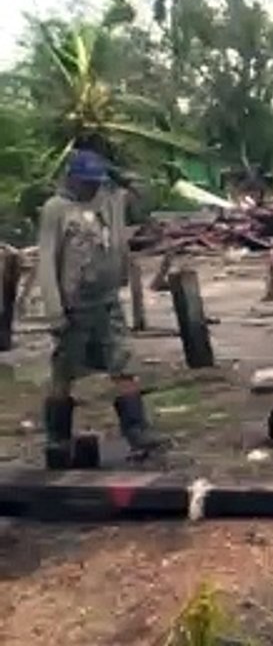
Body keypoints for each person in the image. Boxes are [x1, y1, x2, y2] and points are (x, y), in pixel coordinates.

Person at [36, 149, 166, 464]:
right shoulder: (56, 209)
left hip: (107, 302)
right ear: (73, 179)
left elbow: (145, 199)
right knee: (64, 372)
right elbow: (46, 260)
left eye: (97, 182)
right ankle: (57, 439)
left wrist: (123, 175)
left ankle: (137, 432)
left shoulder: (108, 202)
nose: (92, 188)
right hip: (74, 306)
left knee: (123, 362)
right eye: (87, 182)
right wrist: (54, 309)